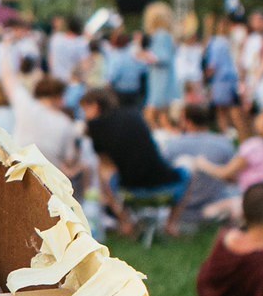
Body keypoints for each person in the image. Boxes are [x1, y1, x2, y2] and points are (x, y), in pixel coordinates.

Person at [79, 87, 186, 241]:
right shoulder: (133, 114)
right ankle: (171, 224)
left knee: (102, 175)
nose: (84, 115)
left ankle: (125, 222)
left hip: (128, 191)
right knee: (188, 169)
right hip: (164, 185)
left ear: (95, 106)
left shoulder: (95, 127)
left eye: (85, 109)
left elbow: (105, 166)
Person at [187, 107, 263, 220]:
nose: (257, 118)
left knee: (207, 211)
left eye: (262, 116)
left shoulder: (254, 146)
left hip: (256, 202)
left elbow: (223, 172)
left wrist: (202, 163)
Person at [0, 50, 85, 185]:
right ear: (58, 97)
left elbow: (7, 78)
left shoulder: (26, 106)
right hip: (47, 184)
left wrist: (5, 49)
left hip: (18, 174)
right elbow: (69, 160)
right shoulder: (66, 124)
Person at [157, 102, 237, 233]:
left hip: (181, 209)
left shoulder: (172, 145)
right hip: (214, 205)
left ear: (186, 121)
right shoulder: (224, 143)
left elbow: (163, 176)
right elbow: (233, 178)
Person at [141, 3, 179, 110]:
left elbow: (163, 58)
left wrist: (146, 56)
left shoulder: (160, 35)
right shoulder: (166, 34)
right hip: (165, 77)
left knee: (155, 109)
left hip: (161, 79)